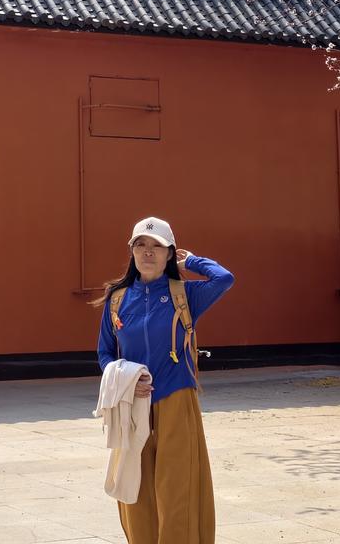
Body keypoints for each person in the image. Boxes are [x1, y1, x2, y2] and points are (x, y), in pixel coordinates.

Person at [95, 216, 235, 543]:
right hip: (132, 403)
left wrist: (193, 261)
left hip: (176, 399)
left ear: (169, 253)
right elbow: (105, 353)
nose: (148, 252)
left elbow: (224, 278)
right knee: (135, 485)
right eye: (140, 245)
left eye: (157, 246)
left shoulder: (184, 295)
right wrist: (126, 380)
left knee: (177, 488)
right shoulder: (117, 299)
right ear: (131, 251)